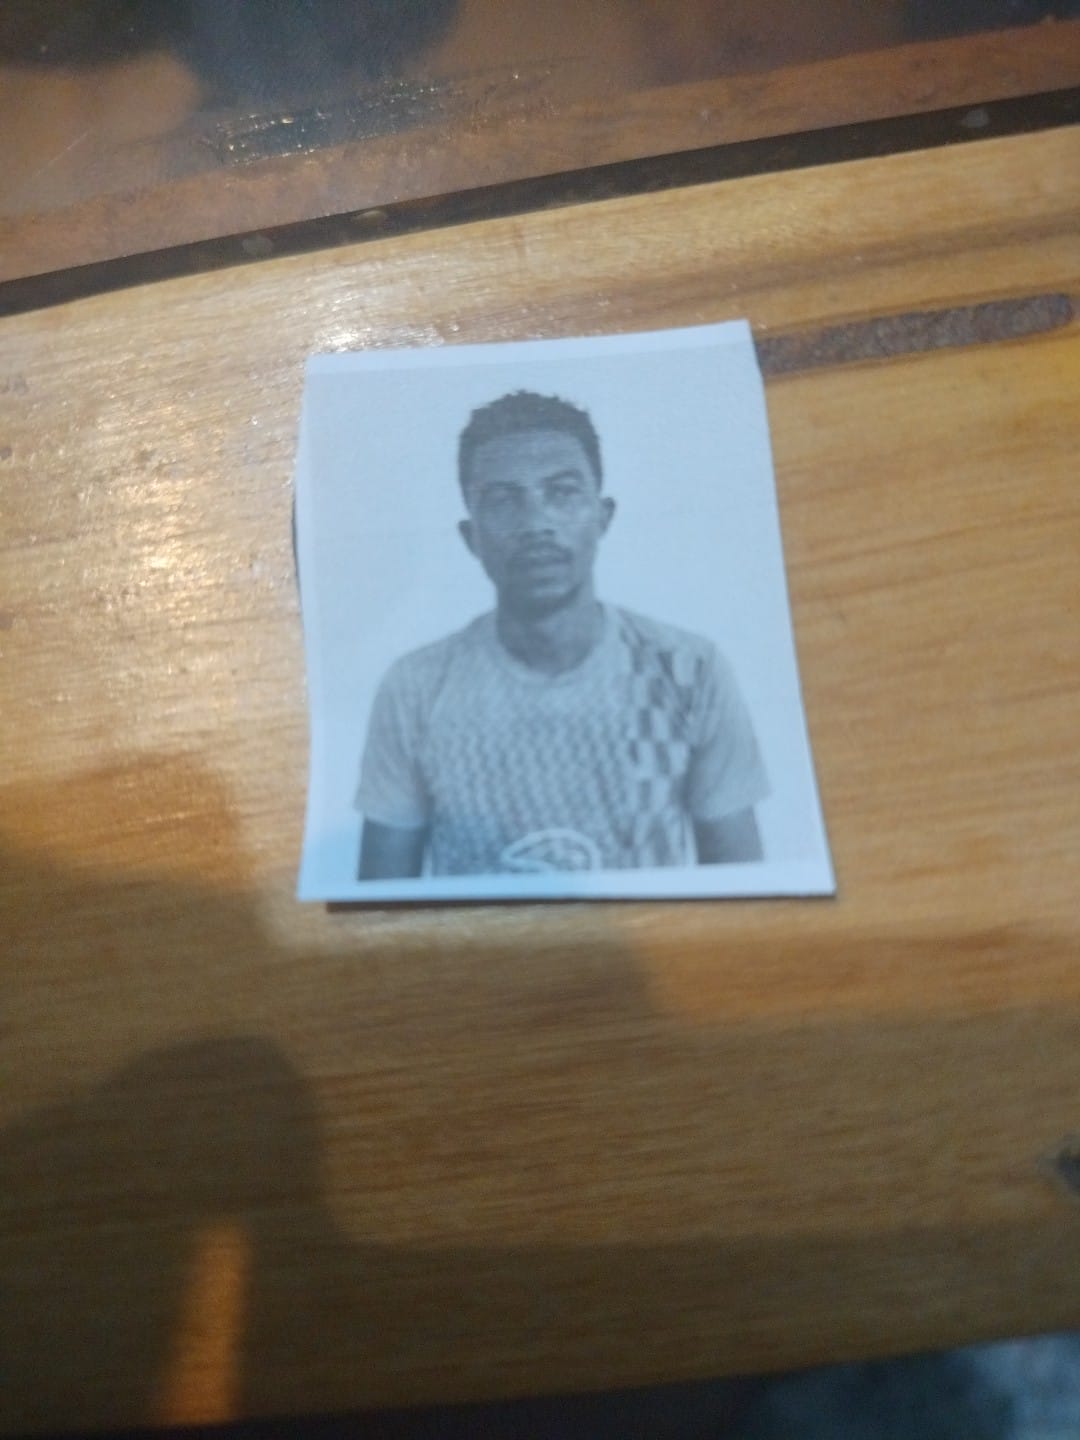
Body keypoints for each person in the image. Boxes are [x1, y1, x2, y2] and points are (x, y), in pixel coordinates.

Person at [357, 390, 768, 878]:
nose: (536, 524)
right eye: (503, 500)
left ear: (603, 516)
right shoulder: (416, 688)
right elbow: (382, 900)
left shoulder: (687, 671)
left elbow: (743, 885)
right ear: (471, 536)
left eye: (563, 492)